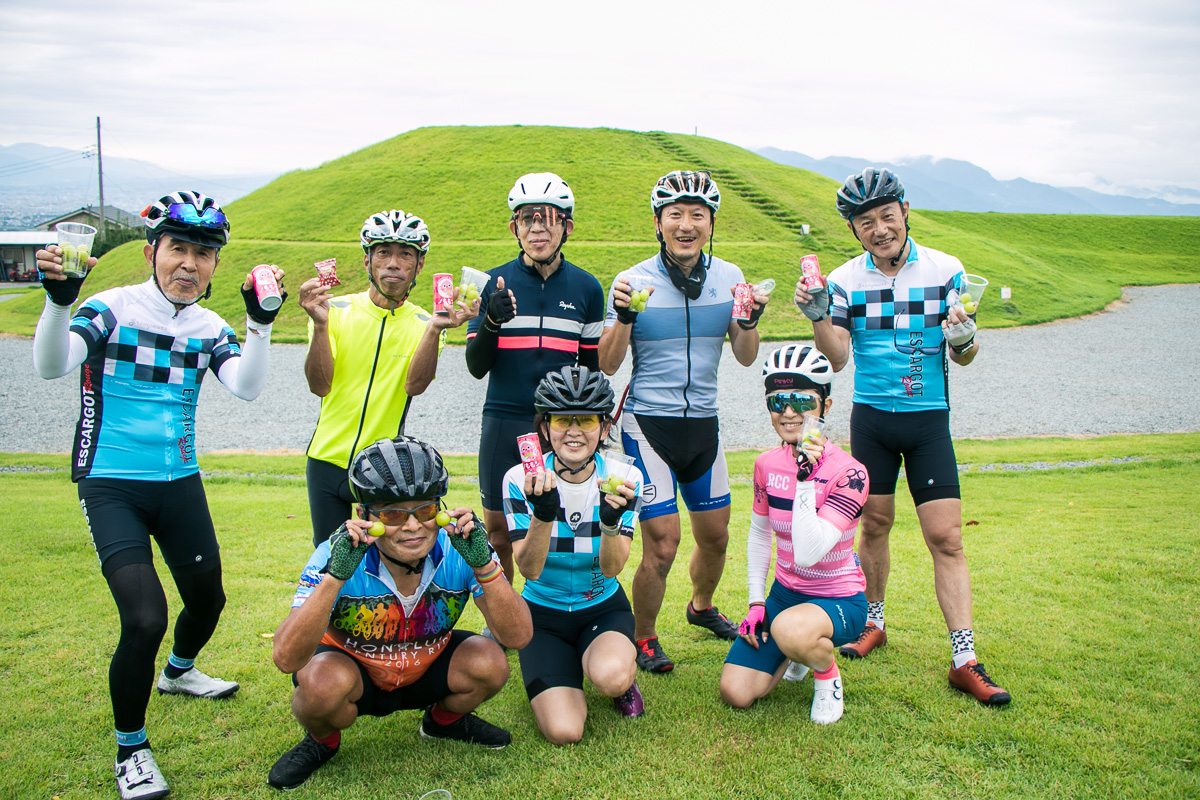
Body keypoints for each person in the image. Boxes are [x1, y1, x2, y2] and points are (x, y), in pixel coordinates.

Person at [32, 190, 286, 799]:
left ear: (216, 265)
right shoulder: (111, 308)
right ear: (152, 251)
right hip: (112, 483)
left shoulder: (209, 326)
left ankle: (179, 673)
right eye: (178, 248)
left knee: (209, 600)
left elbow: (247, 389)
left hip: (180, 482)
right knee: (144, 618)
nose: (189, 264)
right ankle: (131, 750)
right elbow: (51, 365)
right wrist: (57, 303)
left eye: (203, 253)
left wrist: (259, 326)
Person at [793, 167, 1010, 705]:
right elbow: (837, 357)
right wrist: (819, 315)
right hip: (871, 420)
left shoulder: (947, 270)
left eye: (886, 216)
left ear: (905, 211)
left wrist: (964, 339)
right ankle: (874, 623)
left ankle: (965, 658)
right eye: (865, 222)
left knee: (947, 538)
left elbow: (965, 353)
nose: (879, 229)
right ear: (854, 230)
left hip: (927, 419)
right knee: (874, 527)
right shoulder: (844, 279)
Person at [267, 436, 533, 791]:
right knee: (317, 686)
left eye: (424, 511)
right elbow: (286, 658)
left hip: (426, 667)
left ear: (441, 508)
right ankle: (322, 741)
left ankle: (442, 722)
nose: (412, 527)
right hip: (354, 672)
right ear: (363, 516)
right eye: (392, 514)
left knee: (491, 662)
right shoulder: (336, 553)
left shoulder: (461, 546)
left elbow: (518, 637)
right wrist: (335, 577)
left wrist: (484, 564)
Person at [598, 169, 770, 673]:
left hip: (704, 425)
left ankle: (700, 607)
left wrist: (750, 322)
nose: (687, 223)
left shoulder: (731, 277)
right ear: (658, 222)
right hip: (647, 426)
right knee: (664, 541)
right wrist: (625, 317)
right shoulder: (632, 281)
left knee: (716, 535)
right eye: (676, 214)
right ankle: (644, 635)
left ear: (711, 223)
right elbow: (608, 365)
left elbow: (743, 355)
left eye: (698, 214)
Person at [299, 210, 478, 546]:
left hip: (384, 465)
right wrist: (320, 325)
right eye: (383, 252)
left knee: (387, 563)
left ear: (419, 266)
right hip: (325, 458)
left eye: (405, 254)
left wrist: (436, 329)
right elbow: (319, 385)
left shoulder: (427, 322)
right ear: (368, 261)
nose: (393, 263)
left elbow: (415, 386)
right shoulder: (332, 311)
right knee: (330, 560)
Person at [466, 173, 606, 583]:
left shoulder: (587, 288)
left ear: (567, 226)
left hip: (560, 426)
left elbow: (592, 369)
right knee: (498, 532)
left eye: (548, 218)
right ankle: (506, 617)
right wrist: (491, 319)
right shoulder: (493, 282)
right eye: (527, 219)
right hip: (504, 419)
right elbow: (476, 367)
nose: (537, 228)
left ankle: (548, 608)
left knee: (557, 522)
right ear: (514, 228)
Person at [719, 345, 868, 724]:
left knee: (789, 628)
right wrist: (756, 604)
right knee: (735, 692)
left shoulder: (850, 472)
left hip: (839, 601)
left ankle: (825, 674)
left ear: (825, 405)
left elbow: (808, 553)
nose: (788, 412)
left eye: (802, 400)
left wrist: (805, 481)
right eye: (778, 400)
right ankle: (793, 649)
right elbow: (759, 536)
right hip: (784, 596)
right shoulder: (766, 464)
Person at [504, 366, 645, 744]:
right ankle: (566, 671)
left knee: (611, 674)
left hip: (600, 604)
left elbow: (613, 567)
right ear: (545, 426)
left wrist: (611, 522)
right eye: (562, 419)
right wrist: (543, 514)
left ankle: (618, 682)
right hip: (541, 613)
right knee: (565, 732)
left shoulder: (623, 477)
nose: (574, 431)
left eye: (585, 420)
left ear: (603, 426)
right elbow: (529, 570)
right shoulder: (520, 479)